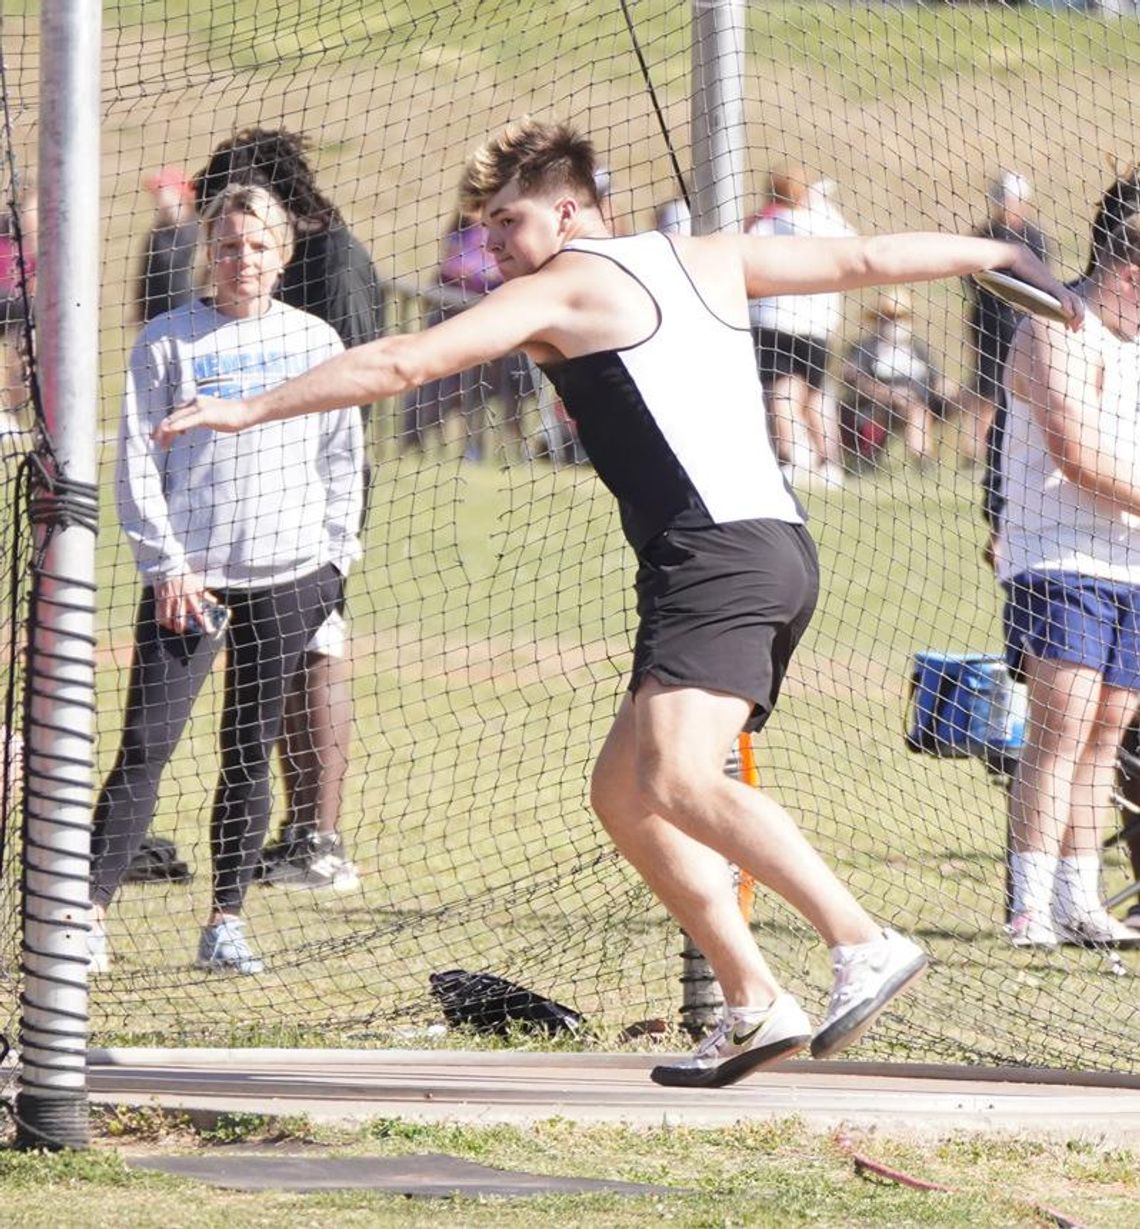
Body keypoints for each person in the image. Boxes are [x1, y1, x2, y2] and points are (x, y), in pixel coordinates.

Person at [155, 118, 1078, 1082]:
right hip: (758, 549)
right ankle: (754, 999)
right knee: (625, 793)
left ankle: (862, 940)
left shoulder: (564, 285)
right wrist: (1001, 252)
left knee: (678, 774)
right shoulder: (706, 255)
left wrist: (248, 406)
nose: (496, 248)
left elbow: (403, 364)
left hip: (715, 556)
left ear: (567, 206)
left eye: (507, 223)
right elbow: (869, 255)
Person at [88, 183, 362, 974]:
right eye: (231, 244)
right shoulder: (169, 341)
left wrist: (333, 560)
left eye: (260, 246)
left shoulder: (316, 341)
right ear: (211, 250)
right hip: (191, 584)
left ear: (283, 255)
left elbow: (343, 457)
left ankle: (226, 920)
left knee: (248, 750)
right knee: (146, 745)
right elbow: (139, 463)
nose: (245, 259)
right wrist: (166, 566)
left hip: (288, 578)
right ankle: (87, 916)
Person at [192, 127, 385, 891]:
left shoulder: (331, 260)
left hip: (316, 483)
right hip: (253, 486)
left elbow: (356, 380)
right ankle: (293, 832)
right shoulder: (278, 261)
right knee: (273, 652)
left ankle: (318, 838)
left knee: (316, 645)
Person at [995, 169, 1140, 951]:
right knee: (1063, 721)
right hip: (1060, 556)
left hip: (1132, 563)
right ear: (1130, 273)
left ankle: (1082, 901)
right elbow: (1078, 453)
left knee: (1109, 729)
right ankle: (1029, 905)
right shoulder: (1057, 325)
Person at [746, 165, 854, 487]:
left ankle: (791, 459)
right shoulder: (822, 221)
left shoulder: (765, 223)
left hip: (772, 319)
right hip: (817, 324)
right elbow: (851, 240)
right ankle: (829, 462)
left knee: (782, 393)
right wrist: (821, 204)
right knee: (816, 394)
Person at [962, 171, 1051, 473]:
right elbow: (970, 278)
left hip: (1021, 323)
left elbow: (1041, 280)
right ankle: (975, 451)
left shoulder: (1033, 239)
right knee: (987, 386)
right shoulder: (983, 236)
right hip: (988, 321)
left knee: (1022, 387)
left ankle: (1011, 450)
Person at [837, 287, 955, 471]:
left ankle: (923, 459)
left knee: (918, 410)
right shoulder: (866, 348)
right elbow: (853, 377)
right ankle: (867, 457)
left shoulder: (917, 349)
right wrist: (889, 394)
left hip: (916, 403)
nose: (893, 323)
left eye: (899, 318)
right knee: (903, 410)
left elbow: (937, 378)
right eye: (888, 317)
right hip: (874, 406)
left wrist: (946, 387)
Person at [133, 166, 200, 325]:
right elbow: (145, 275)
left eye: (164, 192)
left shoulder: (199, 230)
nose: (159, 198)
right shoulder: (157, 235)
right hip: (157, 315)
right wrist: (140, 312)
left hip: (191, 313)